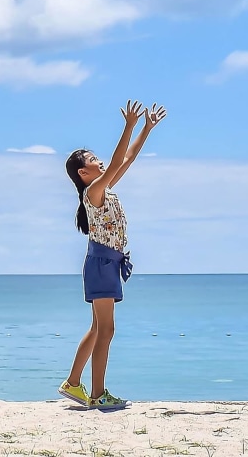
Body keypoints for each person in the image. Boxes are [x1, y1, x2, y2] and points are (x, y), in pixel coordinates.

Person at [60, 99, 167, 409]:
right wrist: (128, 125)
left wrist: (145, 129)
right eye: (94, 159)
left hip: (106, 264)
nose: (101, 161)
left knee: (98, 329)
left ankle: (73, 383)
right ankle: (97, 394)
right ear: (83, 172)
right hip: (102, 263)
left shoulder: (102, 190)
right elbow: (119, 159)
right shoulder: (91, 191)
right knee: (105, 330)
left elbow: (127, 159)